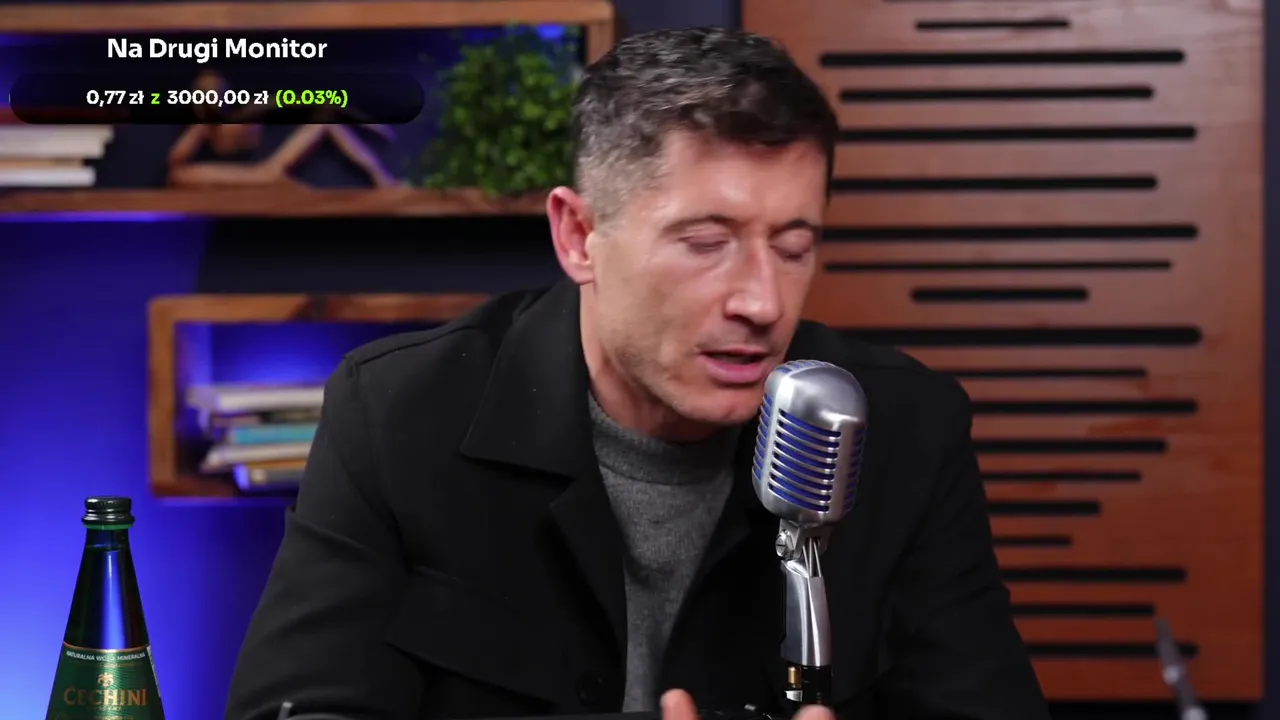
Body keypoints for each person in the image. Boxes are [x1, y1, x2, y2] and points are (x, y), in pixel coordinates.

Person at [224, 26, 1050, 720]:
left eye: (794, 247)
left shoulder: (907, 431)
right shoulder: (399, 413)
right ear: (578, 237)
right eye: (706, 243)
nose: (763, 302)